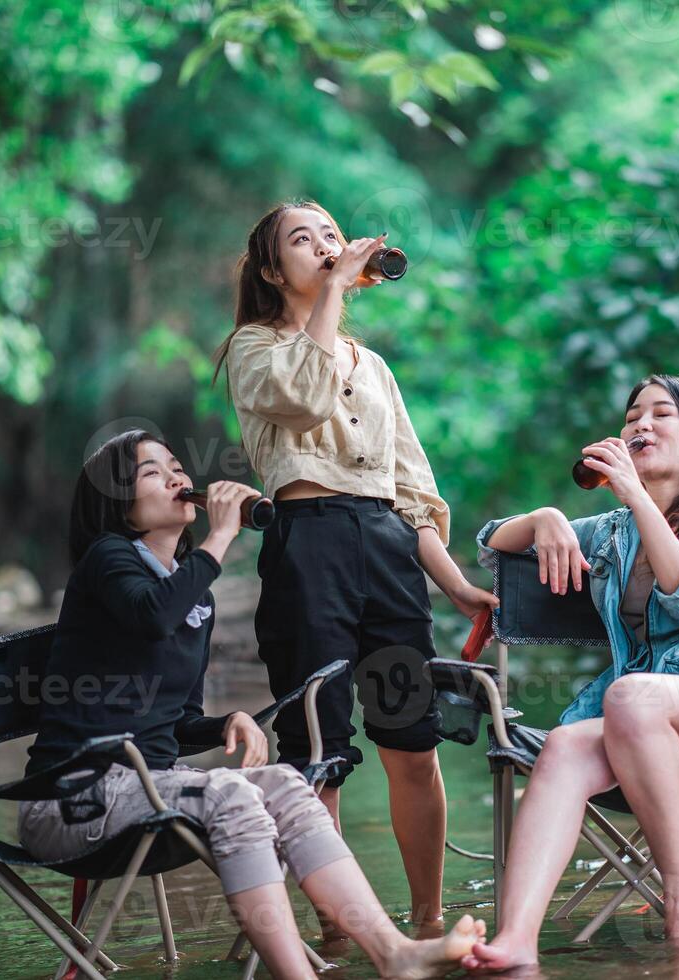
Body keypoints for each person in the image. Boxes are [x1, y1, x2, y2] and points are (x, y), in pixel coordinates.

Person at [17, 429, 485, 979]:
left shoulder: (194, 598)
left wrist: (223, 724)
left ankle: (395, 953)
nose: (177, 479)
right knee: (232, 795)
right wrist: (219, 537)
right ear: (116, 502)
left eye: (176, 466)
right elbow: (151, 615)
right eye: (152, 473)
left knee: (288, 783)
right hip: (75, 799)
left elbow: (175, 720)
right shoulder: (108, 560)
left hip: (146, 788)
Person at [212, 200, 498, 930]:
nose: (325, 248)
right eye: (303, 242)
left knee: (411, 740)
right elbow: (304, 403)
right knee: (319, 749)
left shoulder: (373, 367)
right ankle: (341, 933)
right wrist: (336, 290)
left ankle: (428, 921)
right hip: (308, 547)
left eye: (332, 237)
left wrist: (459, 587)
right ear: (274, 270)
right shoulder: (253, 346)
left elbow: (409, 494)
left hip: (387, 552)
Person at [461, 375, 679, 970]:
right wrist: (544, 518)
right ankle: (516, 940)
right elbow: (493, 547)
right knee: (565, 743)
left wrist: (637, 499)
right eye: (632, 415)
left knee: (632, 695)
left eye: (661, 414)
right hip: (639, 722)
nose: (641, 424)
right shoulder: (613, 533)